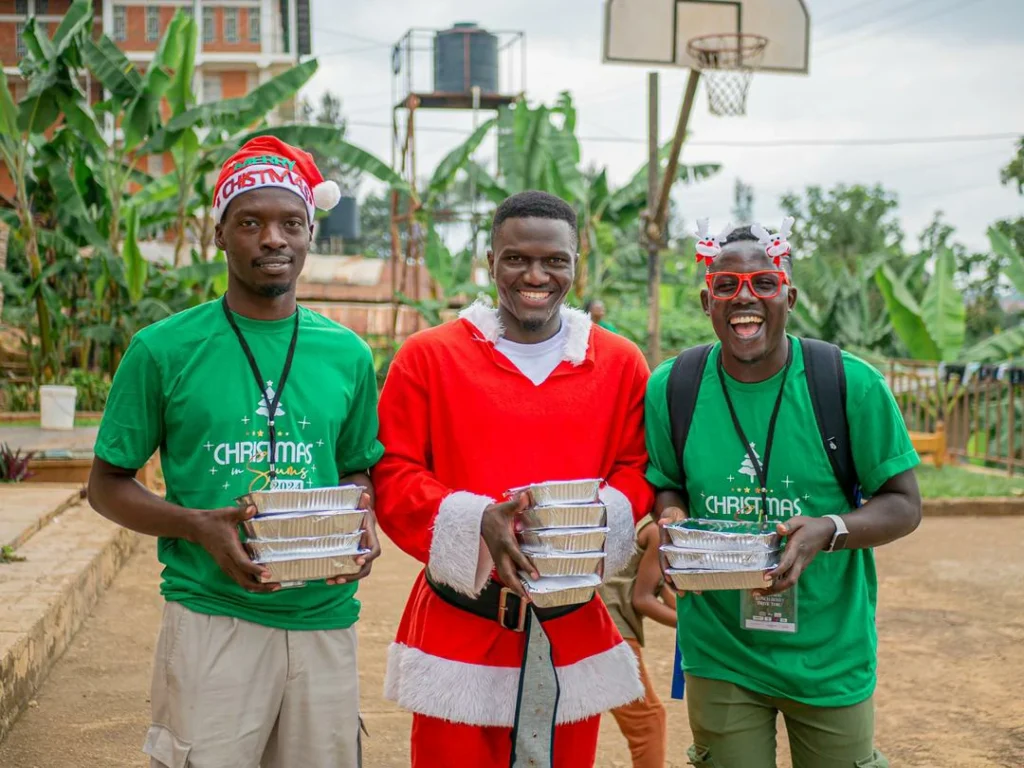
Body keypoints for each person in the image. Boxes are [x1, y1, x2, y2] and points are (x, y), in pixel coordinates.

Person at [88, 136, 384, 768]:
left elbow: (356, 466)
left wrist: (362, 518)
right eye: (251, 223)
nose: (273, 239)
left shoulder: (349, 354)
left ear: (310, 234)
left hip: (325, 617)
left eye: (291, 223)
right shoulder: (162, 350)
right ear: (219, 234)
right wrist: (196, 526)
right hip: (211, 616)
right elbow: (106, 484)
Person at [373, 190, 655, 768]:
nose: (536, 275)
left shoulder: (621, 362)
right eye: (516, 259)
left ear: (576, 264)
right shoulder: (428, 356)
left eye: (554, 261)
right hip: (459, 623)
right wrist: (476, 520)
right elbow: (394, 472)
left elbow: (637, 467)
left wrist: (581, 529)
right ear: (490, 261)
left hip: (568, 624)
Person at [645, 222, 922, 768]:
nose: (744, 296)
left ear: (788, 297)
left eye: (764, 283)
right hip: (720, 646)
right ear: (707, 301)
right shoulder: (673, 386)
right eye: (726, 285)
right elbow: (667, 480)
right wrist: (671, 517)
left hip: (828, 651)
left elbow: (904, 503)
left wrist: (830, 530)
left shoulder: (849, 384)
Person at [599, 516, 676, 768]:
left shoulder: (624, 516)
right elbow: (643, 600)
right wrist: (691, 626)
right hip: (611, 634)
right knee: (648, 720)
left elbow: (665, 591)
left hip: (593, 625)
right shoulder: (653, 529)